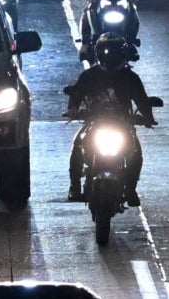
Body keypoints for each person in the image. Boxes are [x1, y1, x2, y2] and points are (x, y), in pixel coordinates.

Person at [63, 33, 152, 204]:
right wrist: (73, 109)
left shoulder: (130, 77)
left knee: (135, 152)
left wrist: (147, 117)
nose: (110, 56)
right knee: (78, 145)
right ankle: (75, 187)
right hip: (95, 123)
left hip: (122, 124)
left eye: (114, 52)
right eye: (106, 52)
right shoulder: (89, 76)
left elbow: (142, 100)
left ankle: (131, 189)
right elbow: (76, 94)